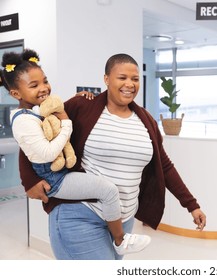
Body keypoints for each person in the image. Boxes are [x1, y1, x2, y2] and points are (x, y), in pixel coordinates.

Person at [14, 51, 207, 260]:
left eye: (134, 79)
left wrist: (191, 205)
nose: (130, 84)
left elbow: (164, 165)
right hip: (81, 215)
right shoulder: (82, 106)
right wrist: (29, 179)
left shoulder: (146, 121)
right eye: (122, 78)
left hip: (123, 220)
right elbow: (37, 135)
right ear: (106, 79)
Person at [0, 49, 151, 256]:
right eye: (34, 85)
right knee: (108, 190)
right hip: (58, 181)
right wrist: (66, 125)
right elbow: (36, 150)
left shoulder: (41, 110)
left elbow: (59, 116)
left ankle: (119, 236)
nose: (44, 88)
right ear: (107, 79)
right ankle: (120, 239)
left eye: (45, 81)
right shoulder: (26, 119)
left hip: (117, 209)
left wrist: (78, 98)